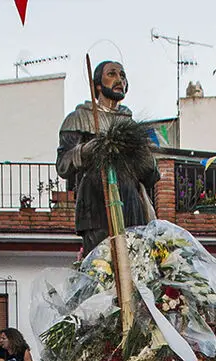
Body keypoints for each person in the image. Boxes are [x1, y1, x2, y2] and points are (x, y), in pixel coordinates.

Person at [57, 60, 160, 255]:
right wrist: (87, 150)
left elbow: (151, 175)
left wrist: (146, 159)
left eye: (122, 75)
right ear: (97, 84)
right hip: (96, 203)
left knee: (135, 263)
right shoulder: (79, 117)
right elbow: (63, 165)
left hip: (131, 203)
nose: (119, 79)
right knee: (101, 268)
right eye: (112, 74)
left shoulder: (131, 125)